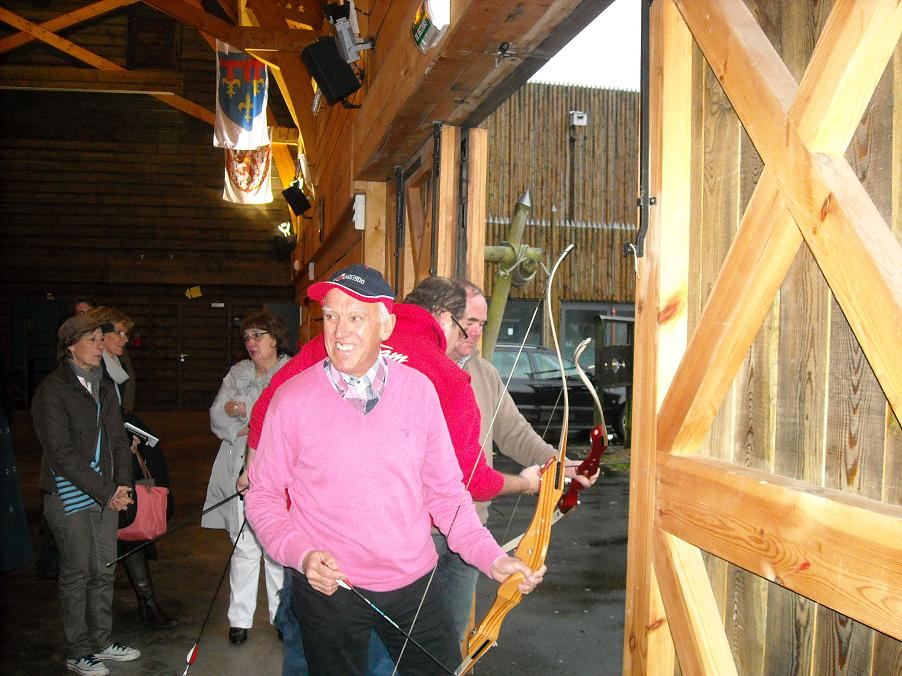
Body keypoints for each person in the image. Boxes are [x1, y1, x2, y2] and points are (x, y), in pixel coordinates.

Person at [244, 265, 545, 674]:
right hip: (328, 589)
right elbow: (262, 498)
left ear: (386, 326)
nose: (340, 330)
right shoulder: (292, 400)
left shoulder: (420, 392)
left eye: (356, 317)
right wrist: (302, 554)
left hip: (414, 587)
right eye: (331, 316)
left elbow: (448, 496)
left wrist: (493, 559)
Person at [438, 279, 599, 641]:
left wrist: (560, 464)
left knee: (449, 639)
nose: (475, 332)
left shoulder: (483, 372)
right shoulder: (418, 371)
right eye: (469, 322)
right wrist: (526, 483)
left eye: (481, 324)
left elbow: (514, 433)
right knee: (401, 643)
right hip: (420, 534)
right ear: (445, 318)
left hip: (470, 529)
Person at [32, 315, 141, 675]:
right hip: (68, 495)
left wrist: (122, 485)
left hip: (106, 493)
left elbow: (118, 440)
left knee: (105, 569)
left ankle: (102, 641)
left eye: (99, 339)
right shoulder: (52, 391)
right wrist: (107, 490)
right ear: (71, 346)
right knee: (78, 572)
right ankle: (78, 650)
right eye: (92, 340)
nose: (99, 346)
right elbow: (60, 454)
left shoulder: (104, 385)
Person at [202, 311, 291, 645]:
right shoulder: (237, 372)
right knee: (243, 545)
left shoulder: (290, 372)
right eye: (247, 337)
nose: (251, 343)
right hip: (236, 467)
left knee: (276, 548)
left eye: (258, 335)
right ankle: (239, 620)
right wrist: (248, 419)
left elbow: (279, 418)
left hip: (276, 469)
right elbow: (216, 416)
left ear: (275, 338)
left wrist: (240, 410)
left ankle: (281, 618)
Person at [88, 307, 177, 627]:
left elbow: (116, 415)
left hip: (119, 459)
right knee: (109, 536)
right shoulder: (92, 372)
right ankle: (99, 621)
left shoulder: (114, 368)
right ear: (100, 335)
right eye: (120, 333)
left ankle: (146, 604)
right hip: (101, 467)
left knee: (128, 532)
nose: (126, 339)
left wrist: (128, 437)